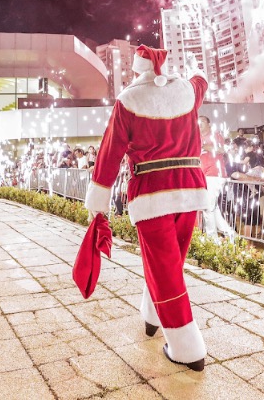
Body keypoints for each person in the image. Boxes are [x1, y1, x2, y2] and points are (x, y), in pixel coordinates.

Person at [84, 45, 209, 371]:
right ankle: (152, 315)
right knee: (170, 265)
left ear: (137, 68)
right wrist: (198, 70)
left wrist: (99, 201)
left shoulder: (128, 99)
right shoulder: (185, 90)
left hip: (152, 194)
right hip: (190, 190)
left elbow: (110, 152)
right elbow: (201, 83)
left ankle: (186, 347)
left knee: (165, 269)